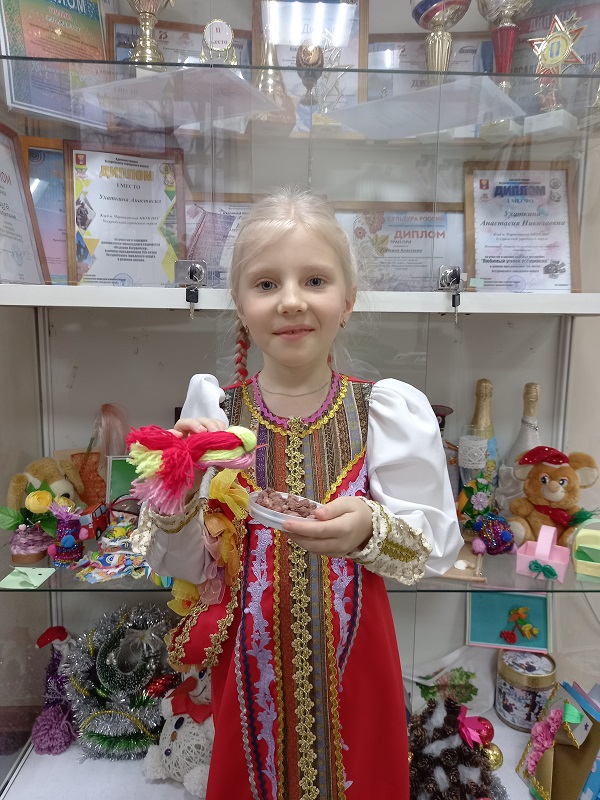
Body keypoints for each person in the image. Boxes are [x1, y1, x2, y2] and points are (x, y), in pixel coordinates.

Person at [142, 188, 462, 799]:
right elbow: (184, 565)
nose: (291, 300)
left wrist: (370, 528)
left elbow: (435, 549)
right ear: (240, 305)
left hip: (357, 670)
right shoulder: (215, 416)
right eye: (266, 284)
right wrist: (179, 488)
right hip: (247, 675)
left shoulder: (382, 411)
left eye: (314, 280)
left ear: (347, 301)